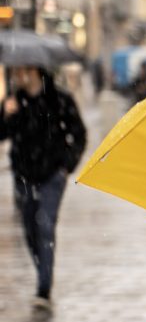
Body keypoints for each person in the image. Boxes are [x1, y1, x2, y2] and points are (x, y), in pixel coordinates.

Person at [0, 66, 87, 308]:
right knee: (29, 229)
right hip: (24, 176)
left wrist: (66, 166)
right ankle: (43, 271)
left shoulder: (59, 99)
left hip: (52, 175)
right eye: (16, 72)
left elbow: (78, 133)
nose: (18, 75)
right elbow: (2, 135)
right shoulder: (14, 101)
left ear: (35, 71)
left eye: (23, 70)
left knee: (45, 224)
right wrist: (6, 115)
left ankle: (43, 288)